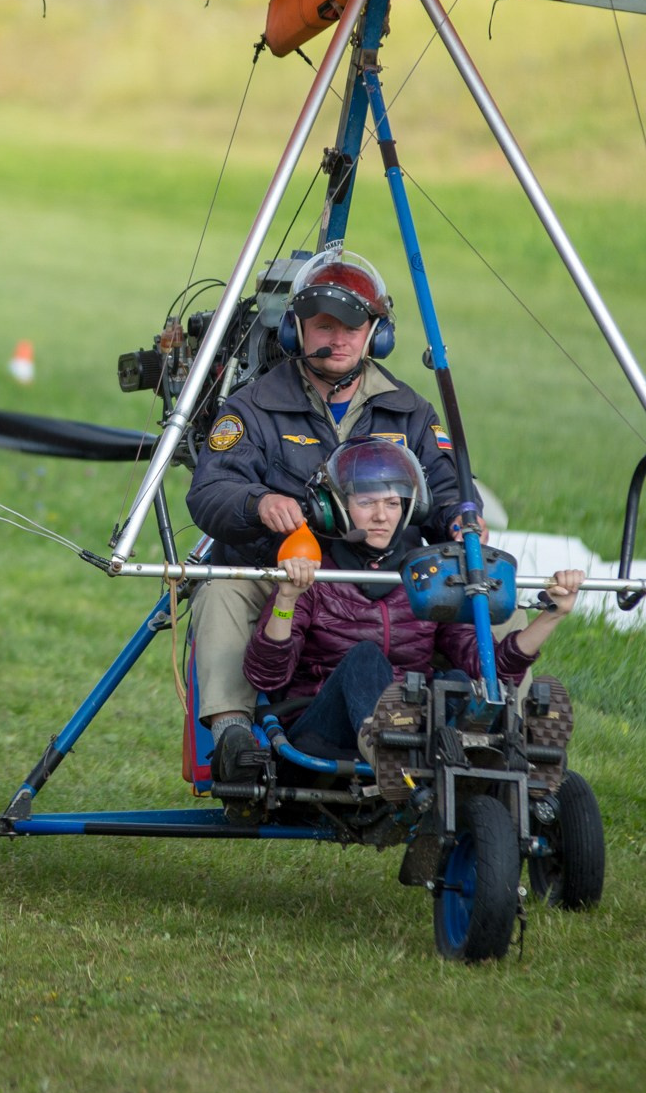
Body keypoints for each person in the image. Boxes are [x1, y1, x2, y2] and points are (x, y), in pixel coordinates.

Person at [185, 247, 478, 781]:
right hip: (285, 573)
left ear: (377, 335)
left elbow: (448, 486)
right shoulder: (252, 407)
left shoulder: (409, 410)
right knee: (222, 590)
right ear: (296, 330)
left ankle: (492, 734)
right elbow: (211, 490)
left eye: (353, 327)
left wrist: (464, 518)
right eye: (324, 325)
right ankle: (233, 738)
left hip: (385, 576)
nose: (338, 339)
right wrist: (258, 503)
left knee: (490, 590)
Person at [241, 438, 585, 794]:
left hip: (413, 724)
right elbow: (266, 676)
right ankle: (388, 749)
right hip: (320, 733)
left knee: (457, 680)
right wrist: (287, 596)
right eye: (367, 502)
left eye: (392, 503)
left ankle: (519, 747)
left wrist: (552, 616)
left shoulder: (428, 578)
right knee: (364, 657)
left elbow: (485, 665)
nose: (381, 516)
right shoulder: (316, 575)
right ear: (337, 507)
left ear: (410, 508)